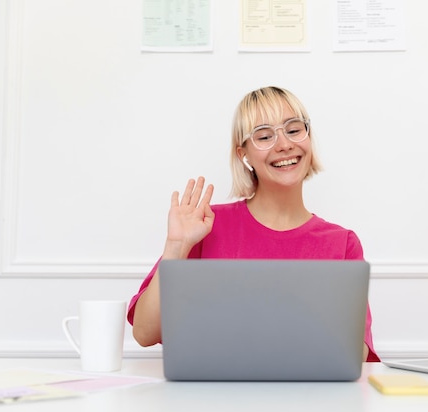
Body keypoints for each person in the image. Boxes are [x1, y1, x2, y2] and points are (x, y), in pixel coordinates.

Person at [127, 86, 379, 362]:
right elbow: (144, 333)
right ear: (243, 154)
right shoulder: (205, 227)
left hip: (308, 399)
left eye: (294, 130)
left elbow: (356, 355)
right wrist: (176, 247)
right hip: (212, 400)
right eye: (264, 136)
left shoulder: (342, 243)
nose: (284, 145)